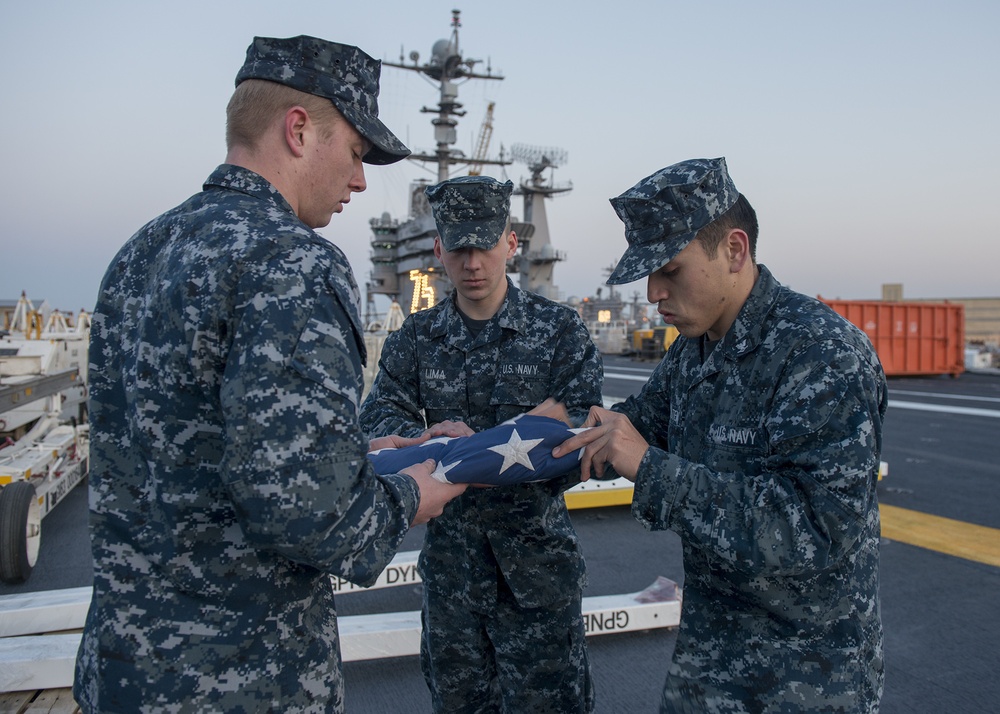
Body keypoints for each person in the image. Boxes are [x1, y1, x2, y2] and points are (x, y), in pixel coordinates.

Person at [74, 36, 466, 713]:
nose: (360, 179)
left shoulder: (141, 252)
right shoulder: (291, 261)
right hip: (240, 678)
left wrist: (360, 456)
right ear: (298, 129)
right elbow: (311, 515)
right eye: (355, 152)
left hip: (125, 668)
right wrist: (409, 494)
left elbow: (190, 445)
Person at [554, 157, 886, 712]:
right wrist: (515, 445)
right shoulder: (696, 348)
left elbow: (816, 530)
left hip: (804, 681)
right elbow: (631, 427)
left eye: (670, 270)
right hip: (708, 667)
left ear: (734, 250)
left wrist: (649, 467)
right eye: (648, 275)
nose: (654, 292)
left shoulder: (822, 355)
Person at [360, 175, 603, 713]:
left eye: (486, 244)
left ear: (511, 243)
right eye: (460, 247)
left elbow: (582, 428)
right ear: (438, 249)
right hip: (453, 582)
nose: (473, 263)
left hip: (537, 580)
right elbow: (380, 418)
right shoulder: (415, 340)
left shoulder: (559, 332)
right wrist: (422, 438)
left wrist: (499, 446)